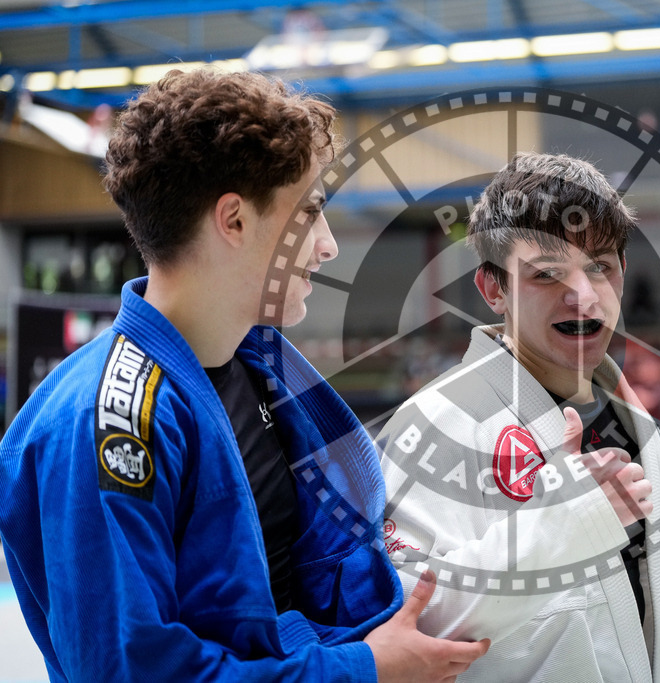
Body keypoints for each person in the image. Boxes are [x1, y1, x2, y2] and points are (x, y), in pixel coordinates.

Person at [0, 69, 488, 682]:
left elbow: (306, 584)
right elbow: (133, 673)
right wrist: (362, 671)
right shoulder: (111, 419)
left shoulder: (260, 370)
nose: (329, 245)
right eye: (311, 212)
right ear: (233, 220)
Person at [376, 152, 660, 681]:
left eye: (600, 268)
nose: (582, 296)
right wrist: (563, 524)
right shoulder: (435, 425)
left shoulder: (635, 423)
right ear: (495, 289)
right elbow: (415, 622)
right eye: (546, 274)